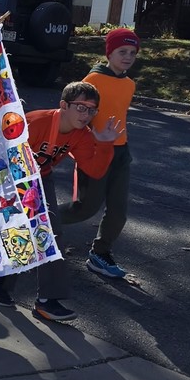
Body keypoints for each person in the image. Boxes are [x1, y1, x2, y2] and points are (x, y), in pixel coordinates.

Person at [0, 81, 120, 322]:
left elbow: (95, 171)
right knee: (19, 228)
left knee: (51, 235)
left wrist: (106, 144)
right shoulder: (36, 121)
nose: (86, 114)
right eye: (81, 107)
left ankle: (47, 300)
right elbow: (2, 152)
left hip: (41, 178)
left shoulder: (82, 135)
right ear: (64, 105)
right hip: (9, 175)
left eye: (91, 110)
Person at [60, 28, 139, 279]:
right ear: (109, 53)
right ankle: (32, 223)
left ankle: (100, 254)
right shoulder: (92, 81)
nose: (127, 57)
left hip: (121, 153)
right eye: (122, 51)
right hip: (94, 152)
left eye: (132, 53)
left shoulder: (129, 84)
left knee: (118, 211)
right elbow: (74, 117)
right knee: (84, 209)